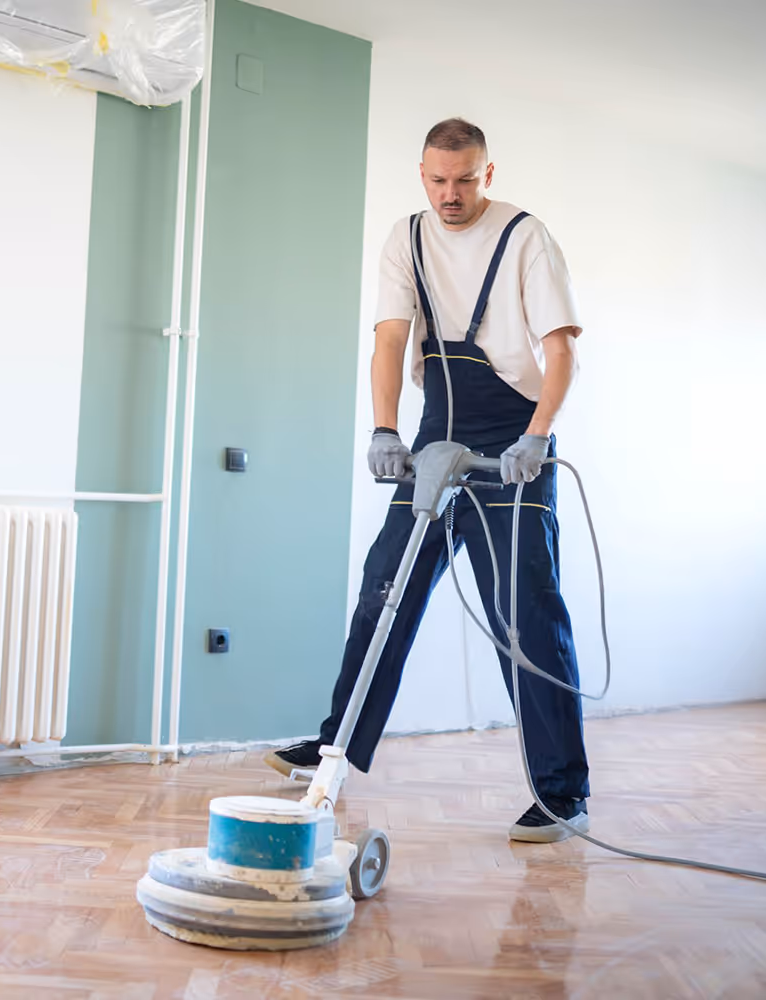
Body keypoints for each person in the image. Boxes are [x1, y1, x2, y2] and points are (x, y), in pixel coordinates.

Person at [267, 118, 589, 843]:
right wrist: (385, 428)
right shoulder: (405, 237)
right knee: (386, 587)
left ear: (488, 173)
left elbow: (560, 350)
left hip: (513, 442)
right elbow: (389, 336)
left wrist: (535, 439)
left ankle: (563, 792)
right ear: (422, 174)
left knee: (526, 616)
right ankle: (336, 749)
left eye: (466, 180)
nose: (451, 194)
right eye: (439, 180)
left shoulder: (525, 237)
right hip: (438, 431)